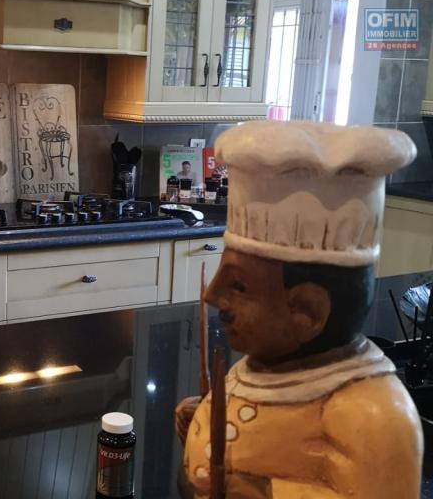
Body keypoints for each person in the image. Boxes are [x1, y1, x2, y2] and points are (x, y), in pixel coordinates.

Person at [175, 121, 423, 499]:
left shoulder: (376, 416)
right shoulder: (269, 362)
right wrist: (206, 422)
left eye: (239, 285)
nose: (212, 295)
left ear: (306, 312)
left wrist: (260, 491)